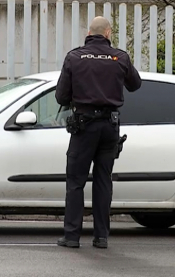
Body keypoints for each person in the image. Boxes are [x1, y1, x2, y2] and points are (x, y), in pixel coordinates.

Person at [55, 16, 142, 249]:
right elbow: (135, 85)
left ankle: (72, 236)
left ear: (88, 32)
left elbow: (61, 97)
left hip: (83, 127)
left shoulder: (74, 57)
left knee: (75, 182)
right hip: (109, 128)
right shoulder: (120, 57)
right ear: (108, 33)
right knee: (103, 181)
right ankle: (101, 237)